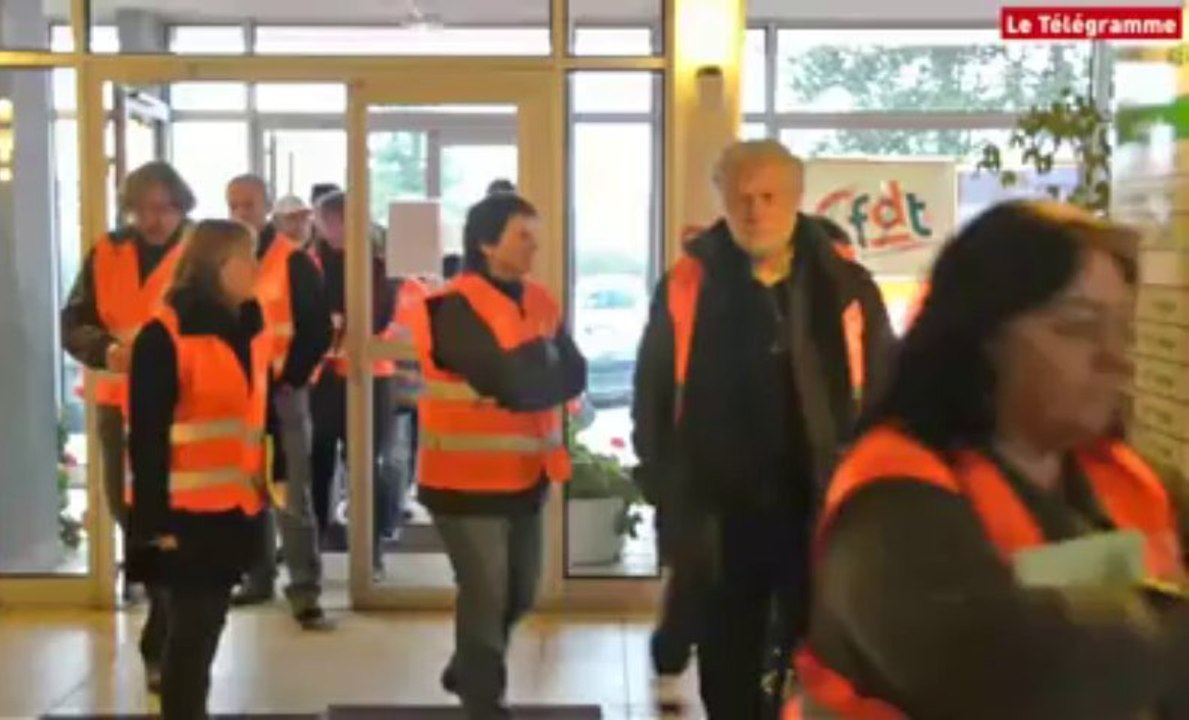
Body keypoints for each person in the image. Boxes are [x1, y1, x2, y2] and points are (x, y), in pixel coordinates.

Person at [788, 201, 1189, 720]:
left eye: (1121, 329)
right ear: (983, 337)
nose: (1115, 356)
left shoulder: (1130, 482)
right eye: (1078, 327)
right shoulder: (891, 503)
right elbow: (1015, 675)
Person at [631, 139, 895, 719]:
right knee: (727, 660)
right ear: (722, 199)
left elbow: (883, 394)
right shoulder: (689, 284)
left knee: (818, 662)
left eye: (770, 197)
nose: (755, 211)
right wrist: (663, 485)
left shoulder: (845, 286)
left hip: (817, 505)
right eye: (742, 197)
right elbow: (651, 394)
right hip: (720, 512)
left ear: (798, 200)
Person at [416, 193, 585, 719]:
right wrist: (538, 366)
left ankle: (468, 666)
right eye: (523, 235)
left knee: (521, 593)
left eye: (535, 233)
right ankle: (483, 701)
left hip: (525, 476)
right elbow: (509, 381)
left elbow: (573, 373)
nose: (535, 245)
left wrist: (536, 368)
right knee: (486, 593)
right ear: (487, 243)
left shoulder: (540, 300)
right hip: (463, 481)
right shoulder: (452, 306)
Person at [125, 219, 267, 720]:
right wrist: (152, 525)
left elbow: (252, 417)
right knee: (191, 635)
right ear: (217, 267)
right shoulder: (164, 337)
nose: (256, 270)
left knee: (205, 630)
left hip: (232, 508)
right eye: (247, 259)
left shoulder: (247, 327)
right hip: (183, 516)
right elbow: (145, 437)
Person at [61, 160, 193, 594]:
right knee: (122, 498)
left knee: (174, 499)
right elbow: (74, 321)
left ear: (181, 206)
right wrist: (107, 350)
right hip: (116, 393)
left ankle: (172, 588)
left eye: (163, 209)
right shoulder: (107, 251)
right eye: (141, 209)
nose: (152, 220)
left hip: (181, 397)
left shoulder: (199, 250)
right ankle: (152, 578)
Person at [225, 176, 332, 629]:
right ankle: (258, 577)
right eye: (232, 205)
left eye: (247, 204)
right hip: (240, 396)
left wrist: (290, 379)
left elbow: (316, 329)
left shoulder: (292, 261)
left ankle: (304, 590)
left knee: (292, 493)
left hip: (284, 394)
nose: (239, 213)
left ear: (267, 205)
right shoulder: (226, 262)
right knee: (251, 490)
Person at [307, 190, 401, 572]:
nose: (322, 227)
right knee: (319, 462)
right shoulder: (313, 262)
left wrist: (339, 324)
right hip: (324, 377)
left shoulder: (379, 265)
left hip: (370, 375)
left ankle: (371, 545)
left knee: (365, 463)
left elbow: (379, 318)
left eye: (326, 220)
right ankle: (315, 541)